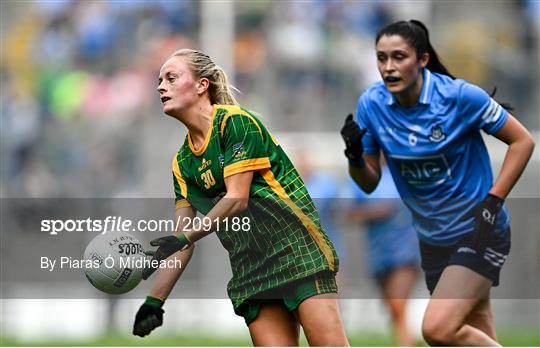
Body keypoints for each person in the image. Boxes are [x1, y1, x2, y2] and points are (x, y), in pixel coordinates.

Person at [132, 48, 349, 347]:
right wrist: (154, 302)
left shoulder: (235, 123)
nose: (160, 86)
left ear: (201, 85)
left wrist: (184, 237)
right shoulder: (182, 163)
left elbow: (237, 198)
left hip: (296, 252)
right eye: (159, 80)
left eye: (171, 77)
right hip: (251, 270)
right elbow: (182, 240)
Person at [341, 20, 535, 346]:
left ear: (423, 59)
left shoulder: (458, 97)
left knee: (437, 329)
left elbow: (523, 142)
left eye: (399, 57)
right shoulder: (371, 105)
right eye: (382, 58)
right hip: (432, 238)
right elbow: (368, 183)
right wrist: (356, 156)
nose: (389, 67)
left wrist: (493, 201)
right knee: (477, 329)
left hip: (478, 229)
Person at [345, 161, 420, 346]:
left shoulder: (407, 174)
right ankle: (410, 340)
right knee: (392, 309)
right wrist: (374, 212)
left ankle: (407, 343)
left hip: (406, 250)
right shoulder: (361, 178)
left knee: (398, 304)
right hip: (378, 253)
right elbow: (349, 213)